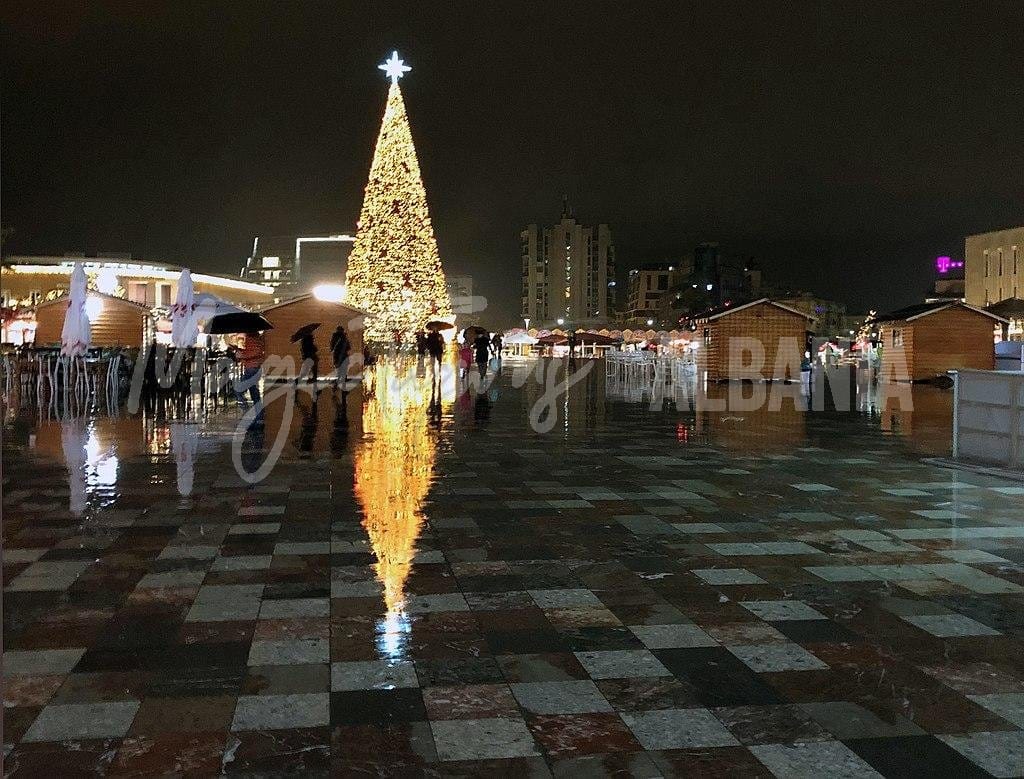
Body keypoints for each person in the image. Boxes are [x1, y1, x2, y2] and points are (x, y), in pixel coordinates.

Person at [234, 330, 267, 415]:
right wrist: (240, 351)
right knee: (254, 393)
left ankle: (247, 411)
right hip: (253, 368)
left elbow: (257, 352)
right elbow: (254, 352)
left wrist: (243, 355)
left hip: (252, 368)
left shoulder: (253, 338)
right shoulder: (253, 338)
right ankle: (259, 415)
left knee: (238, 390)